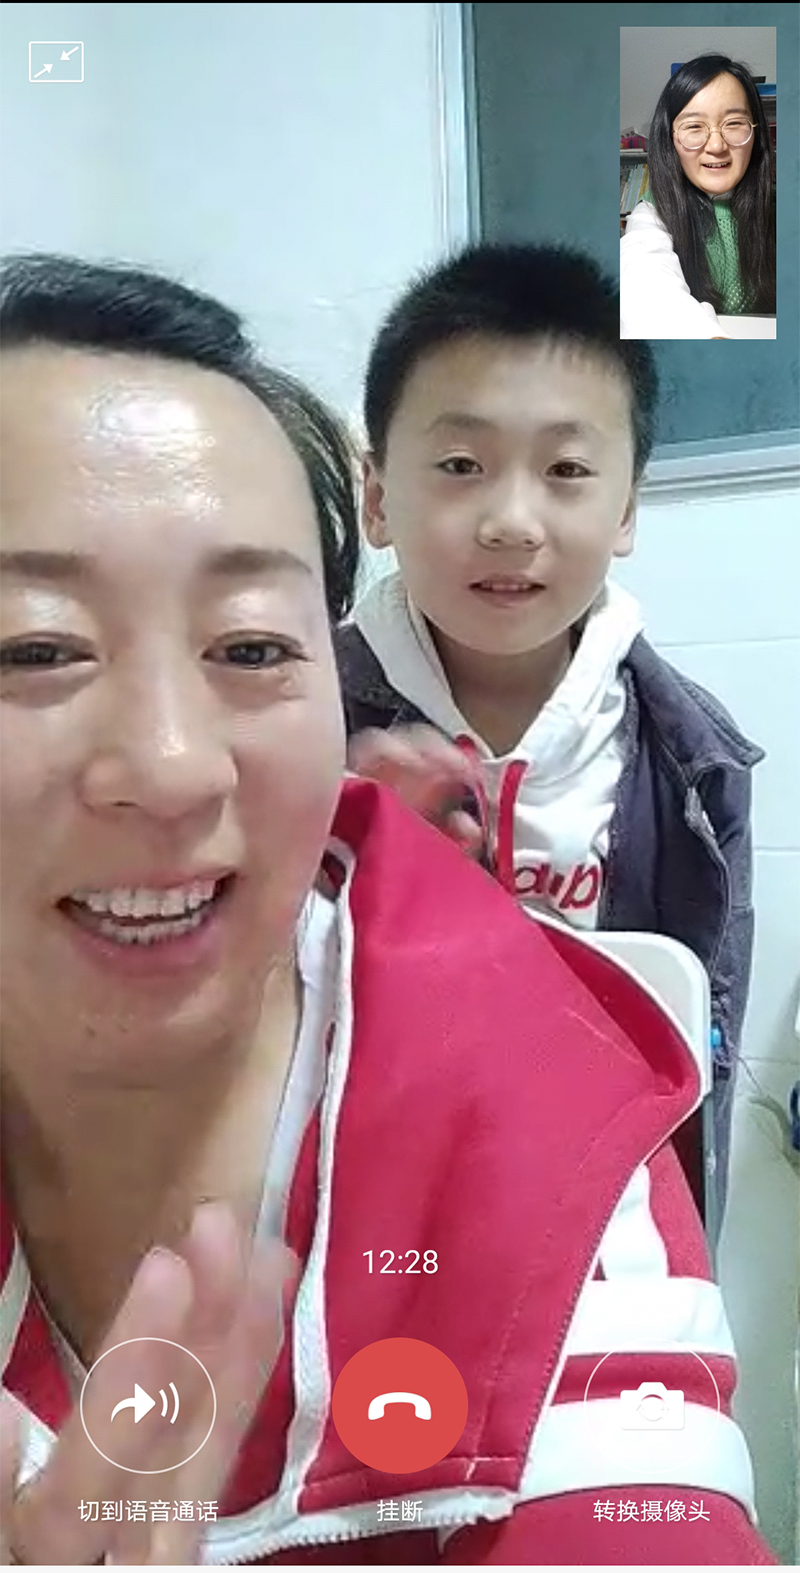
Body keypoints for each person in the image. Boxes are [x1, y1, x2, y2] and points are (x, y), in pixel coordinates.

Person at [0, 254, 774, 1567]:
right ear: (381, 492)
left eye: (249, 647)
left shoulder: (680, 765)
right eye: (35, 648)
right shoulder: (358, 727)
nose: (174, 764)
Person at [335, 242, 763, 1230]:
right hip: (358, 1200)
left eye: (566, 469)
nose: (512, 521)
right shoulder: (298, 723)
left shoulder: (695, 761)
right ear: (376, 496)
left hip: (584, 1205)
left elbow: (700, 1053)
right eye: (460, 465)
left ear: (626, 508)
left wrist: (682, 1260)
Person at [620, 53, 776, 338]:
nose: (716, 146)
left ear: (756, 133)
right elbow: (647, 290)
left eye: (734, 123)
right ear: (670, 139)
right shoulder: (653, 214)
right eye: (693, 127)